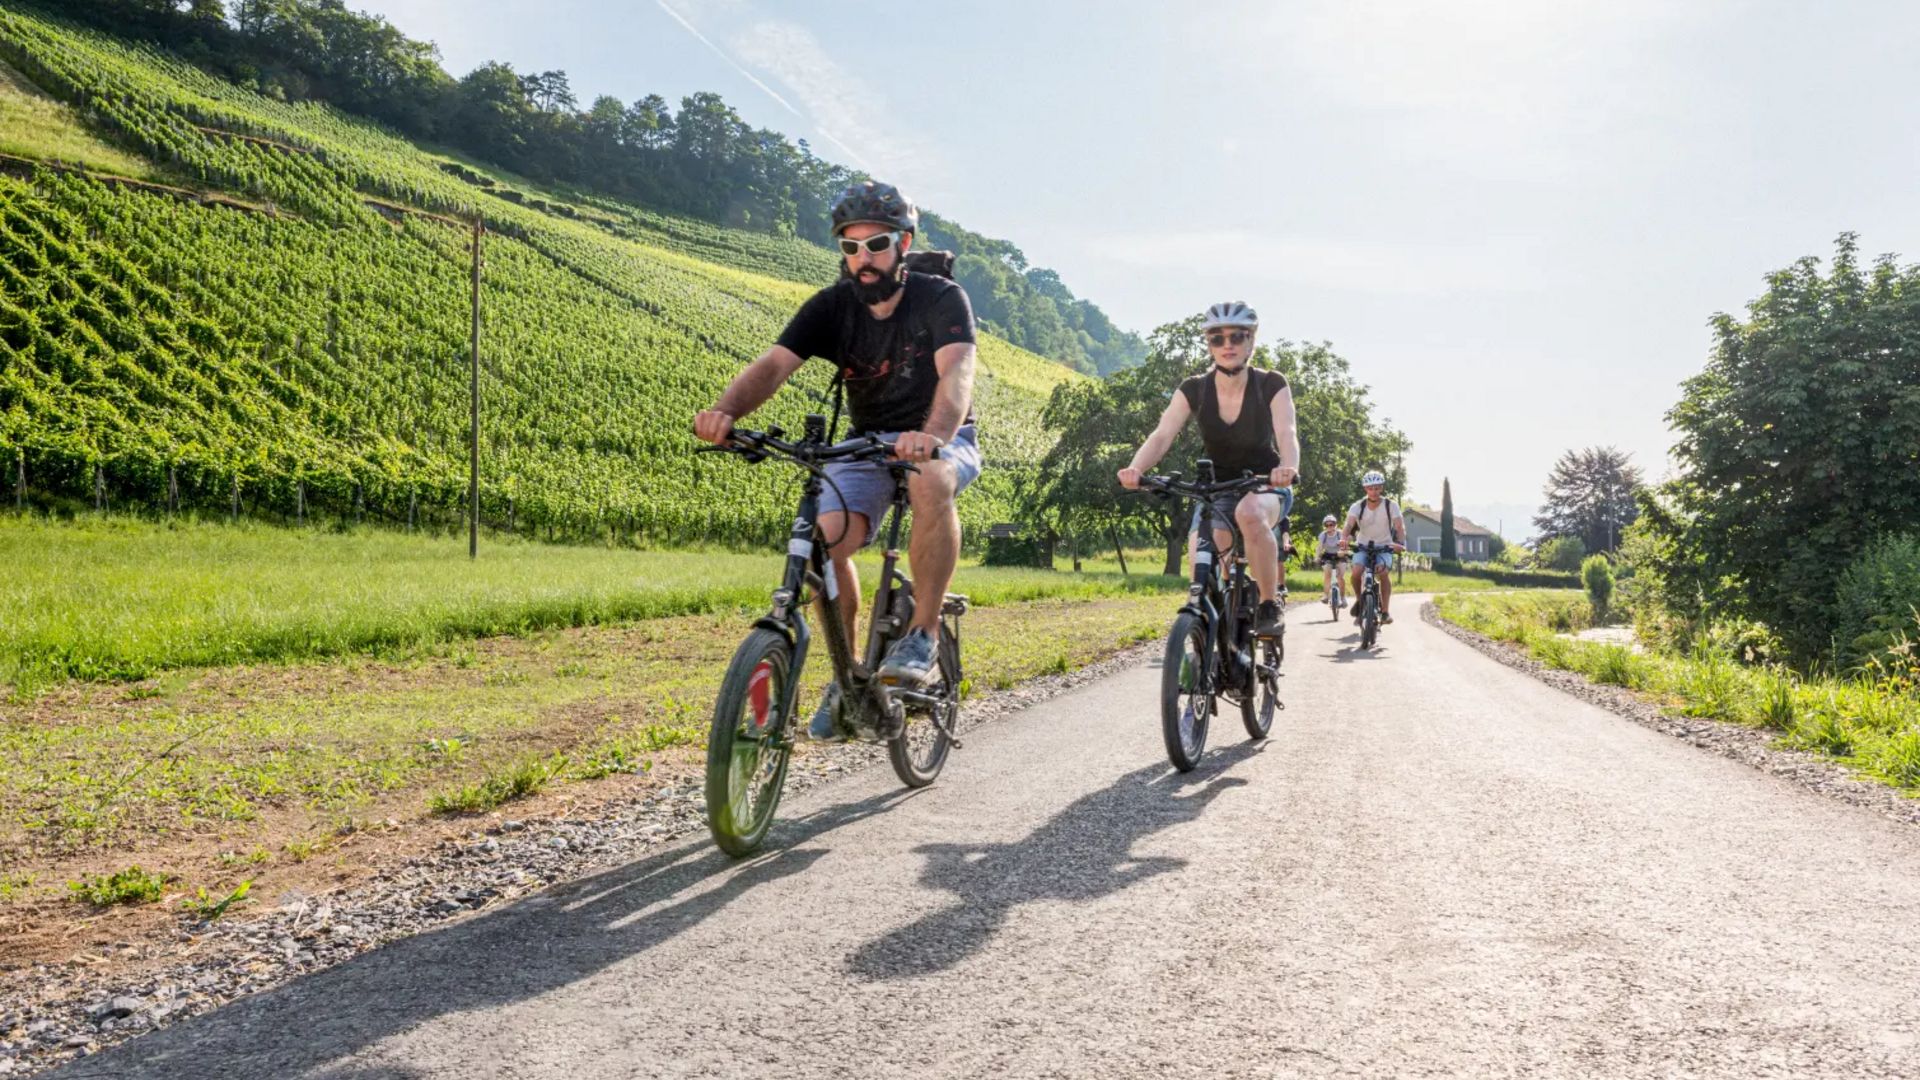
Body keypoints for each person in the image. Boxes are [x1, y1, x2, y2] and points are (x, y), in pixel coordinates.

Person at [693, 181, 982, 741]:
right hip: (865, 441)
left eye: (875, 244)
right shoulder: (832, 305)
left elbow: (957, 376)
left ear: (903, 243)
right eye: (850, 248)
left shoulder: (941, 298)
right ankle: (848, 674)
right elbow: (774, 366)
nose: (862, 259)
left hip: (939, 436)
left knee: (931, 477)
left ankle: (921, 630)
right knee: (827, 545)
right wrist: (724, 412)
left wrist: (932, 435)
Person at [1117, 302, 1299, 638]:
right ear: (1209, 345)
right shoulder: (1195, 388)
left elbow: (1286, 431)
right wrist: (1135, 468)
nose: (1226, 344)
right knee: (1200, 547)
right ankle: (1207, 635)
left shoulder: (1271, 383)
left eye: (1236, 336)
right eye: (1217, 338)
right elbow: (1161, 436)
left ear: (1251, 341)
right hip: (1217, 487)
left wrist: (1288, 468)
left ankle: (1268, 604)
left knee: (1249, 512)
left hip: (1265, 483)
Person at [1341, 471, 1406, 624]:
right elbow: (1349, 524)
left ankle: (1385, 612)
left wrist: (1401, 544)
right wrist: (1343, 539)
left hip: (1385, 546)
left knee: (1382, 572)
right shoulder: (1358, 506)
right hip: (1362, 545)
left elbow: (1399, 527)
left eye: (1377, 488)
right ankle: (1359, 600)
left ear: (1381, 488)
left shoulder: (1391, 505)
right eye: (1370, 488)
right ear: (1365, 489)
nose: (1374, 492)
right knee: (1356, 571)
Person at [1315, 513, 1346, 604]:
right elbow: (1319, 547)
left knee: (1340, 577)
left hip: (1340, 555)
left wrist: (1342, 552)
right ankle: (1326, 595)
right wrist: (1317, 557)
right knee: (1327, 574)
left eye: (1331, 524)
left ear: (1335, 525)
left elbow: (1344, 546)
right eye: (1326, 525)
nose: (1329, 526)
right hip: (1328, 555)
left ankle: (1343, 597)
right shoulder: (1323, 535)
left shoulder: (1340, 534)